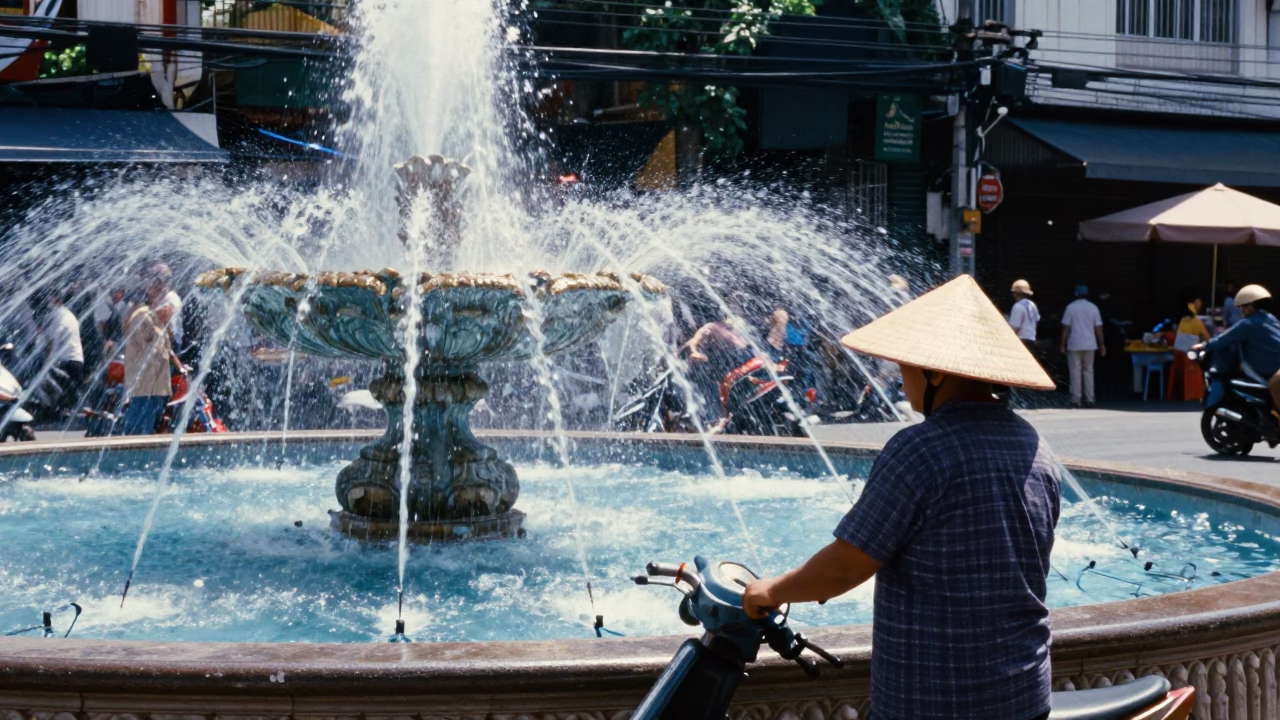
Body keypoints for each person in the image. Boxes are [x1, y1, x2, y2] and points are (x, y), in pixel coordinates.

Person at [742, 275, 1059, 720]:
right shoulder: (1034, 446)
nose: (901, 377)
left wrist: (770, 590)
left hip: (936, 700)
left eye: (907, 366)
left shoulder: (921, 449)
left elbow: (845, 566)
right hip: (1022, 693)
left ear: (935, 372)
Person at [1194, 284, 1280, 418]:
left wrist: (1205, 345)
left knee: (1274, 385)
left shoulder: (1248, 323)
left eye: (1243, 307)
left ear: (1250, 307)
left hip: (1270, 371)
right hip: (1274, 367)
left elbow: (1224, 339)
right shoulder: (1271, 318)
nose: (1241, 311)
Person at [122, 267, 184, 435]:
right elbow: (156, 351)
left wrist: (180, 367)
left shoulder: (153, 318)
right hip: (145, 389)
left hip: (156, 388)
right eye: (161, 285)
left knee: (149, 432)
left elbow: (165, 349)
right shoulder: (143, 317)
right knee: (139, 434)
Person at [1060, 285, 1106, 408]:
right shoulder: (1093, 308)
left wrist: (1062, 344)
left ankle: (1076, 399)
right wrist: (1102, 344)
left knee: (1075, 371)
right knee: (1089, 371)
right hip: (1090, 344)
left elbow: (1066, 328)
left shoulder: (1070, 308)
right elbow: (1098, 328)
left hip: (1074, 344)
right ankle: (1090, 398)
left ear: (1075, 294)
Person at [1167, 290, 1211, 402]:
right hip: (1190, 359)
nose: (1199, 304)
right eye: (1197, 302)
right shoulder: (1197, 321)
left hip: (1179, 359)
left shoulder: (1182, 320)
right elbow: (1207, 338)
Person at [1008, 279, 1040, 347]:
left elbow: (1015, 327)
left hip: (1021, 341)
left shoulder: (1018, 306)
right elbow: (1036, 322)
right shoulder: (1033, 305)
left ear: (1015, 294)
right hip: (1032, 340)